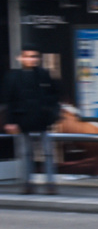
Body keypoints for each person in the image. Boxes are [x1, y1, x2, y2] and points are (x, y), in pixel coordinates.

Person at [2, 48, 61, 195]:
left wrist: (52, 114)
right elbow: (9, 101)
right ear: (20, 58)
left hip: (42, 119)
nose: (31, 59)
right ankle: (28, 183)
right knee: (26, 153)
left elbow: (54, 95)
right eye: (28, 56)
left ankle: (50, 184)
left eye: (34, 56)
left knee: (47, 153)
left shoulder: (43, 75)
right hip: (23, 118)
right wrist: (10, 121)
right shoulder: (13, 77)